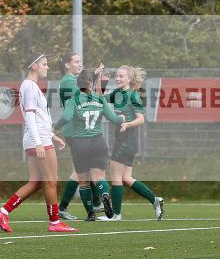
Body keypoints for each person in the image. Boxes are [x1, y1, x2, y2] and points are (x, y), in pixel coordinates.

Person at [0, 53, 77, 233]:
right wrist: (40, 142)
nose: (47, 67)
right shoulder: (30, 86)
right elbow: (29, 116)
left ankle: (3, 211)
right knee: (51, 181)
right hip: (38, 140)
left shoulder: (30, 86)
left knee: (36, 182)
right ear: (34, 66)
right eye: (44, 64)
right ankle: (55, 223)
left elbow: (38, 118)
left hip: (37, 138)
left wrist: (52, 136)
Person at [53, 68, 124, 221]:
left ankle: (90, 213)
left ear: (77, 85)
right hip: (98, 142)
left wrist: (55, 127)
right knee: (98, 177)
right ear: (91, 84)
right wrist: (123, 118)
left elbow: (66, 116)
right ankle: (104, 194)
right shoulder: (100, 99)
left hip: (80, 144)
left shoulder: (74, 100)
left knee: (83, 180)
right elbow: (113, 119)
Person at [105, 65, 164, 221]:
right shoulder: (116, 94)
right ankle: (155, 200)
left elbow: (141, 119)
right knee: (126, 178)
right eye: (116, 76)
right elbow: (100, 99)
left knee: (115, 175)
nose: (117, 78)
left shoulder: (133, 96)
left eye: (121, 76)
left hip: (128, 139)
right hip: (122, 138)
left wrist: (127, 124)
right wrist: (101, 83)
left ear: (129, 79)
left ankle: (116, 214)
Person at [56, 52, 83, 221]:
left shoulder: (72, 81)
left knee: (85, 169)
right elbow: (83, 99)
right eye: (76, 62)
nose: (80, 64)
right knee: (81, 170)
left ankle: (97, 203)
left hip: (78, 130)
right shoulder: (68, 81)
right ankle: (62, 207)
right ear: (67, 64)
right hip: (75, 131)